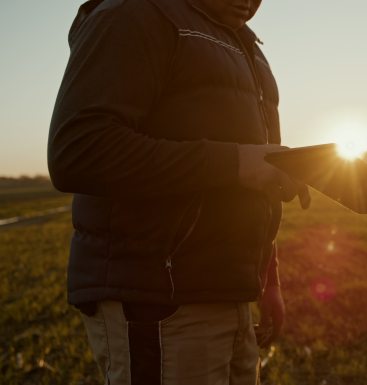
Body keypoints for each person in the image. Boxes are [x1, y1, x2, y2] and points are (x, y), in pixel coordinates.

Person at [47, 0, 309, 383]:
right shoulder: (132, 14)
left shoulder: (245, 46)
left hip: (230, 294)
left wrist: (269, 280)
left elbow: (254, 177)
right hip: (158, 302)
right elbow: (79, 150)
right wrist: (235, 164)